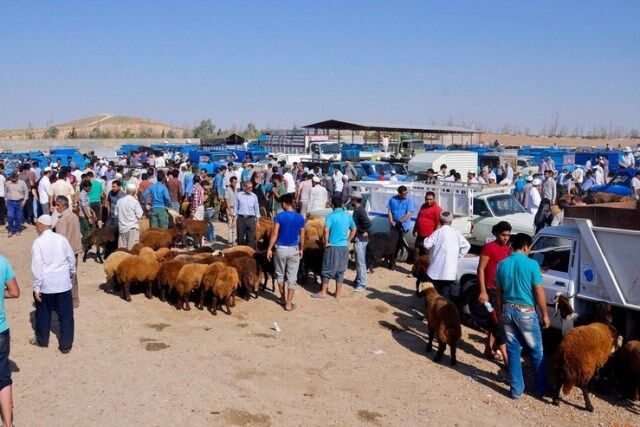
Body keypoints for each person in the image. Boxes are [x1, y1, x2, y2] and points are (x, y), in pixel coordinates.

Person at [495, 232, 549, 399]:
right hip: (526, 312)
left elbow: (499, 292)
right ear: (526, 247)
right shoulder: (532, 264)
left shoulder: (502, 265)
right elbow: (539, 291)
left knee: (513, 350)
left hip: (507, 310)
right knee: (537, 352)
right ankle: (540, 390)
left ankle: (516, 390)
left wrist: (500, 310)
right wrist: (545, 314)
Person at [30, 215, 76, 354]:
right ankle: (66, 345)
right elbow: (71, 258)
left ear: (42, 225)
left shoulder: (38, 242)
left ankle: (42, 340)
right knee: (66, 315)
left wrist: (37, 286)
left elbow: (37, 266)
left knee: (43, 314)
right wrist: (71, 272)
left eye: (37, 224)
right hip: (63, 283)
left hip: (46, 285)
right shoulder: (61, 239)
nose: (36, 227)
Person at [477, 221, 511, 365]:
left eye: (508, 235)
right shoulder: (489, 248)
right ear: (497, 234)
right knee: (497, 322)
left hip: (502, 292)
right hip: (490, 292)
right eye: (503, 235)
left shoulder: (509, 249)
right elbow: (480, 270)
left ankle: (488, 349)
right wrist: (483, 291)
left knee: (495, 320)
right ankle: (506, 359)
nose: (506, 238)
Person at [266, 193, 305, 311]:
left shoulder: (279, 216)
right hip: (294, 249)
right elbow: (302, 235)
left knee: (280, 275)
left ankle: (282, 298)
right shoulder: (300, 217)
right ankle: (288, 304)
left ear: (284, 203)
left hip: (280, 249)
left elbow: (275, 233)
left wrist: (269, 248)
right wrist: (301, 248)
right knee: (292, 278)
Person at [313, 195, 356, 299]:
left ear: (332, 205)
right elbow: (354, 229)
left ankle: (323, 292)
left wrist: (326, 242)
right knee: (341, 270)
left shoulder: (331, 216)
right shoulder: (347, 216)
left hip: (332, 246)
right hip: (344, 247)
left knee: (327, 269)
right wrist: (348, 240)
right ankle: (337, 293)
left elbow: (326, 229)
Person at [423, 211, 471, 299]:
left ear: (440, 221)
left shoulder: (437, 232)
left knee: (434, 295)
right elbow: (467, 246)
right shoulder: (456, 233)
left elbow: (427, 245)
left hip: (435, 271)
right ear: (451, 221)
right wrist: (458, 256)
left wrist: (426, 238)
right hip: (449, 272)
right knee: (445, 296)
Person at [53, 196, 82, 308]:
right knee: (73, 275)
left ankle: (66, 302)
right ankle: (74, 300)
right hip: (74, 249)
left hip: (65, 252)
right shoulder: (74, 216)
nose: (56, 207)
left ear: (63, 205)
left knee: (64, 278)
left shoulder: (62, 219)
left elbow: (61, 238)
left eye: (58, 205)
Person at [0, 252, 19, 427]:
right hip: (1, 330)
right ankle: (8, 423)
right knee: (3, 377)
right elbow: (15, 292)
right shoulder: (2, 262)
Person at [386, 185, 415, 268]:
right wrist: (391, 221)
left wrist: (401, 221)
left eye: (406, 193)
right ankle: (390, 260)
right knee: (392, 243)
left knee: (397, 244)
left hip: (402, 226)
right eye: (404, 194)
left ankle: (393, 260)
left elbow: (409, 213)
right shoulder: (393, 199)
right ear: (399, 194)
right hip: (393, 225)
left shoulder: (409, 200)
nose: (406, 195)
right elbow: (390, 211)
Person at [351, 191, 371, 292]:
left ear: (354, 200)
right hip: (359, 238)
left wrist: (362, 231)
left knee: (360, 262)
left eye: (351, 199)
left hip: (360, 239)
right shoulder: (359, 209)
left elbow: (368, 223)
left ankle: (362, 284)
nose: (351, 201)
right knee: (358, 262)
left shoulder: (359, 211)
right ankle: (358, 279)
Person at [412, 191, 441, 257]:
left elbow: (438, 224)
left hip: (429, 236)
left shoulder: (437, 209)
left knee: (426, 256)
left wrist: (434, 237)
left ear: (434, 199)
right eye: (427, 199)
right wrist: (415, 228)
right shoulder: (423, 206)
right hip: (420, 235)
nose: (428, 201)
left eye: (430, 199)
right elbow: (418, 217)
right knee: (416, 253)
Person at [116, 183, 144, 250]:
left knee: (122, 250)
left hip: (122, 228)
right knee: (132, 249)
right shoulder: (135, 202)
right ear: (134, 192)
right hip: (132, 228)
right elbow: (139, 216)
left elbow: (116, 214)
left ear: (126, 191)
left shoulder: (119, 201)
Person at [235, 180, 260, 247]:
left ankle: (250, 254)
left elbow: (257, 209)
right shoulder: (238, 195)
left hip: (251, 219)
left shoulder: (254, 196)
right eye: (249, 188)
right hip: (241, 219)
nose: (250, 189)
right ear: (244, 187)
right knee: (240, 238)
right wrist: (234, 220)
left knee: (251, 239)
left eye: (251, 187)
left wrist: (257, 222)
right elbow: (235, 208)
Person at [225, 176, 238, 245]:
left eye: (236, 182)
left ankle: (233, 240)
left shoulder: (235, 189)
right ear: (230, 182)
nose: (235, 184)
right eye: (234, 182)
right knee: (230, 224)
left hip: (235, 208)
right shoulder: (227, 189)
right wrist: (230, 210)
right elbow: (227, 201)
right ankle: (230, 240)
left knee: (234, 224)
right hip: (230, 208)